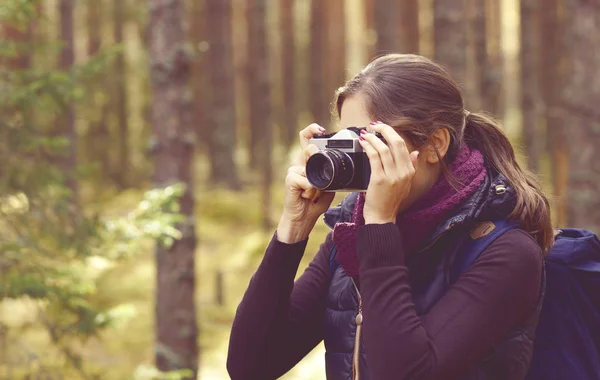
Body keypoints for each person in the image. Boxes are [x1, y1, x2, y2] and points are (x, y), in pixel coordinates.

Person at [227, 54, 552, 380]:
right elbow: (250, 367)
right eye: (349, 141)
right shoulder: (351, 238)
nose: (359, 155)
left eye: (372, 140)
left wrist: (381, 224)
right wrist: (292, 228)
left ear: (436, 144)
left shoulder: (505, 251)